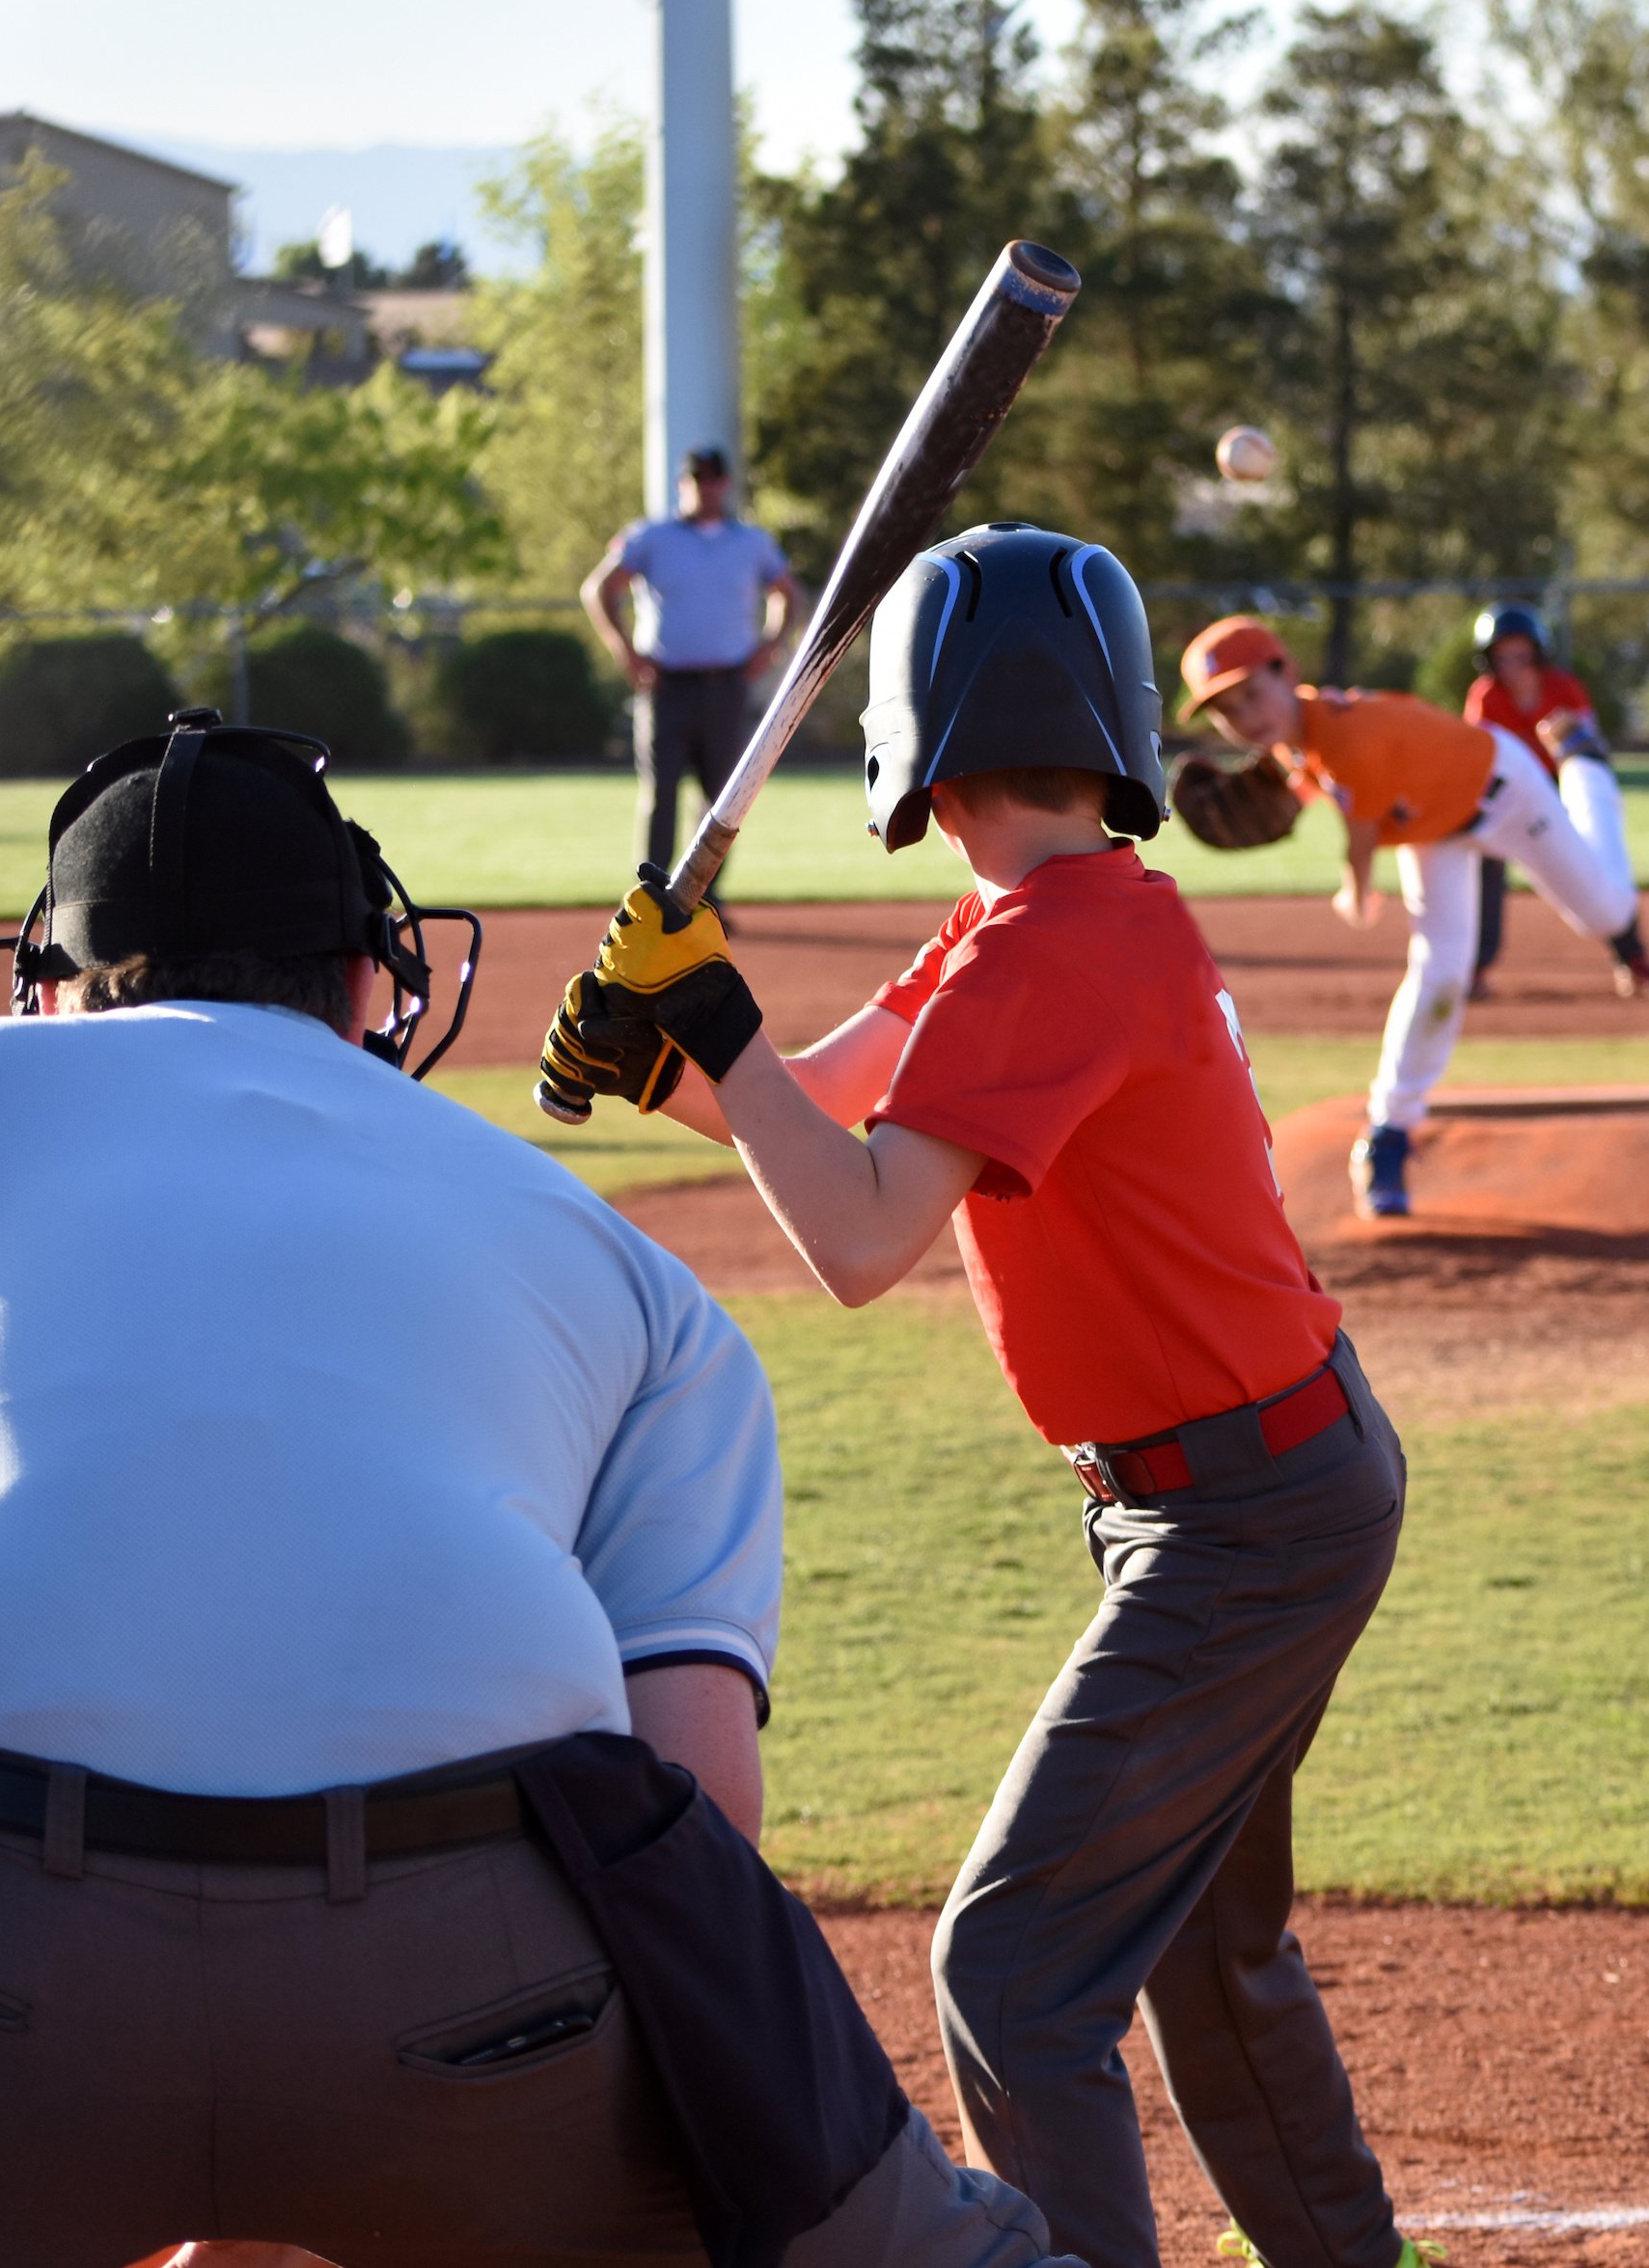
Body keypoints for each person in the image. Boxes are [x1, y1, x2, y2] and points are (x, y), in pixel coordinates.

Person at [0, 710, 1058, 2268]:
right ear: (368, 982)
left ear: (47, 981)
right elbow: (697, 1802)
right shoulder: (623, 1271)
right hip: (489, 2008)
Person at [536, 525, 1441, 2268]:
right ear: (1103, 726)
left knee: (1014, 1970)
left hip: (1242, 1517)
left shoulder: (1047, 951)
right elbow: (823, 1109)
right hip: (1271, 1479)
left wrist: (709, 1027)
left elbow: (863, 1234)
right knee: (1197, 1942)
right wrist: (673, 1058)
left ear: (915, 754)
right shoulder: (1035, 925)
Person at [1175, 615, 1649, 1220]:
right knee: (1440, 972)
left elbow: (1361, 830)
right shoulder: (1299, 739)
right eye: (1227, 710)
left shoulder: (1342, 734)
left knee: (1607, 913)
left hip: (1504, 789)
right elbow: (1319, 781)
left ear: (1287, 673)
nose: (1246, 716)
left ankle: (1585, 764)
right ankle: (1389, 1132)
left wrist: (1356, 889)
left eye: (1251, 693)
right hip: (1435, 829)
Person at [583, 447, 797, 897]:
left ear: (727, 484)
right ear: (684, 484)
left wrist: (771, 646)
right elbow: (600, 588)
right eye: (697, 479)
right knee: (660, 793)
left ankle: (703, 898)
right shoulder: (651, 538)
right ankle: (653, 897)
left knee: (722, 799)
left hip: (726, 685)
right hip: (667, 685)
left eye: (714, 479)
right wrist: (626, 651)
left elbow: (788, 595)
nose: (707, 488)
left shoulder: (751, 542)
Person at [1458, 603, 1649, 1002]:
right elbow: (1479, 760)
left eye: (1521, 654)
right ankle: (1474, 970)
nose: (1512, 665)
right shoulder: (1486, 697)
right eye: (1501, 657)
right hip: (1509, 799)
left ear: (1538, 653)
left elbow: (1590, 752)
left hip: (1560, 791)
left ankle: (1634, 961)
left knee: (1600, 865)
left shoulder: (1563, 689)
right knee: (1484, 861)